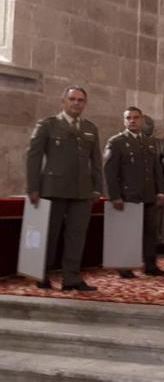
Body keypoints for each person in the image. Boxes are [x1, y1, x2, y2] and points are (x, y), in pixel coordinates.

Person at [26, 86, 102, 291]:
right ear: (64, 101)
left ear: (85, 104)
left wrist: (98, 188)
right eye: (72, 99)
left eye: (80, 100)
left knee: (76, 235)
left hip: (82, 190)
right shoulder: (47, 125)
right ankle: (42, 273)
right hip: (53, 188)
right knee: (50, 234)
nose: (76, 103)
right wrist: (33, 187)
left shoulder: (90, 128)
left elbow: (96, 161)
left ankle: (72, 278)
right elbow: (33, 157)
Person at [103, 106, 164, 279]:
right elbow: (110, 173)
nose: (132, 120)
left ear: (142, 120)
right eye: (129, 118)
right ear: (124, 121)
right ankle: (125, 266)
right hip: (128, 196)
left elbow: (157, 169)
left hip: (148, 195)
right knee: (127, 233)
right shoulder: (116, 142)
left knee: (150, 232)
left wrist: (160, 191)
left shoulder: (149, 142)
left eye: (136, 117)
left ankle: (150, 265)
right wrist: (114, 196)